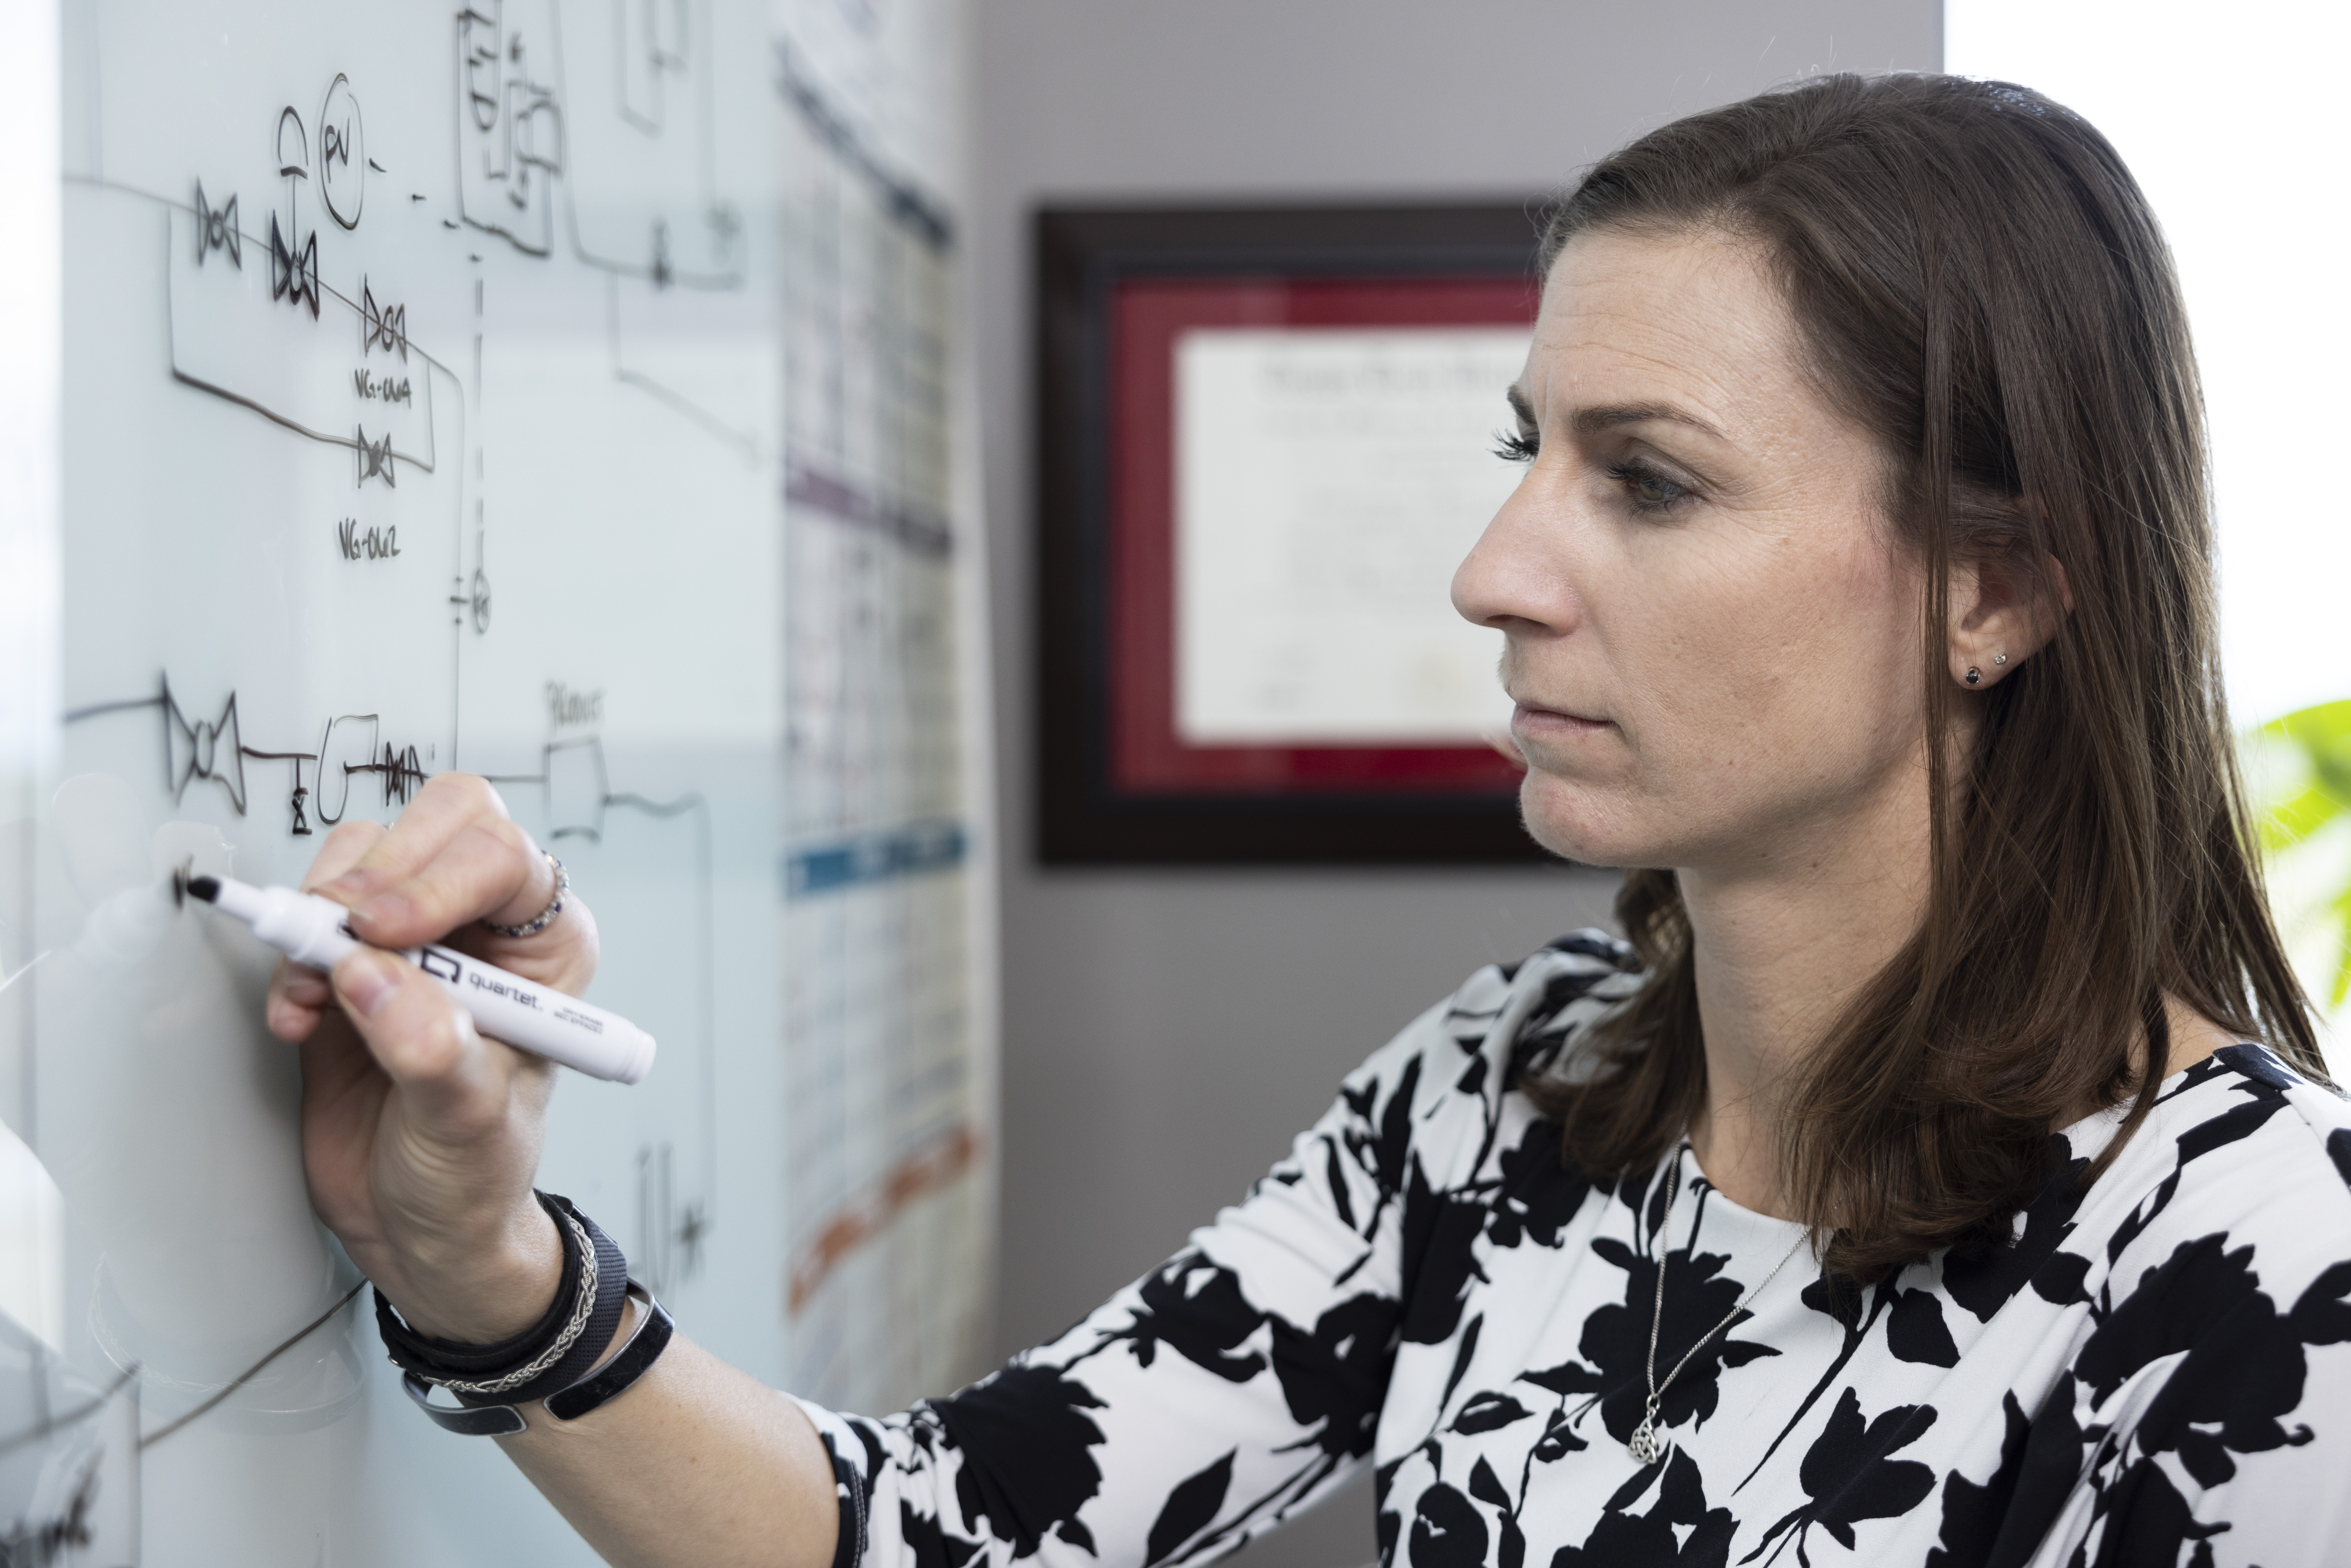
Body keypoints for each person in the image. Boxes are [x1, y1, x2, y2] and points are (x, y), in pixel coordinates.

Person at [266, 72, 2349, 1568]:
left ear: (1997, 586)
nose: (1493, 568)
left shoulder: (2262, 1256)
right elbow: (941, 1535)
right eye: (1527, 448)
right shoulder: (1514, 1086)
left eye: (1648, 480)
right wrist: (483, 1266)